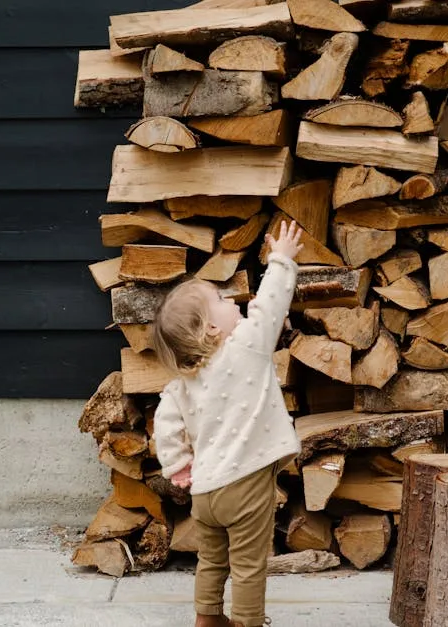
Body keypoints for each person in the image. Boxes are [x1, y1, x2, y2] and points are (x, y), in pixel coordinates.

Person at [151, 221, 305, 627]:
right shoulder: (246, 347)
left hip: (205, 492)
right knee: (250, 564)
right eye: (220, 297)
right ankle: (247, 622)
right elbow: (270, 305)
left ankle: (207, 618)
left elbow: (165, 422)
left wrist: (177, 465)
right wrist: (282, 260)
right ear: (211, 328)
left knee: (212, 560)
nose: (231, 297)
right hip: (245, 483)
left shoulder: (184, 382)